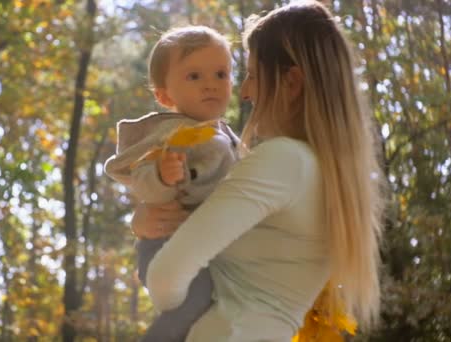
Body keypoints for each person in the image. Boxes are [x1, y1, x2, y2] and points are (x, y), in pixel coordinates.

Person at [135, 1, 384, 341]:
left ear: (291, 82)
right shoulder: (329, 176)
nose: (245, 91)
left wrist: (173, 306)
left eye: (252, 75)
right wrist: (147, 223)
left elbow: (165, 277)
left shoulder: (285, 161)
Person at [104, 25, 240, 342]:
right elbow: (144, 187)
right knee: (198, 297)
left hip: (206, 246)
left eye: (221, 74)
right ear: (165, 95)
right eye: (194, 76)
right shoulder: (171, 135)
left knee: (212, 313)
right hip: (164, 243)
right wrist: (163, 176)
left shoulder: (229, 138)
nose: (211, 84)